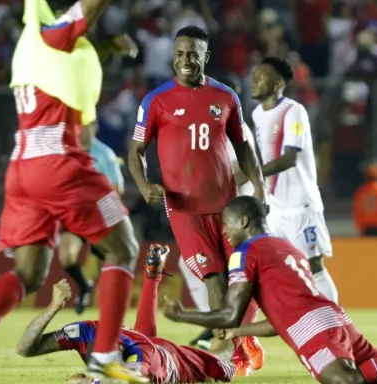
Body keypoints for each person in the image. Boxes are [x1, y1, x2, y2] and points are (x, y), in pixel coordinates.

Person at [0, 0, 146, 383]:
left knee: (30, 274)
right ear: (63, 11)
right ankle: (104, 357)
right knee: (124, 248)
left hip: (22, 167)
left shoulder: (30, 44)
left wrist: (107, 46)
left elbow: (66, 67)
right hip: (60, 161)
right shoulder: (55, 32)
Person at [163, 196, 377, 384]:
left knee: (345, 381)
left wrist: (183, 315)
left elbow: (229, 311)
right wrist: (241, 331)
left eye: (226, 225)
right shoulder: (285, 247)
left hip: (312, 327)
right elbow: (277, 321)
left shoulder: (245, 253)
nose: (224, 232)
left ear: (242, 222)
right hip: (332, 317)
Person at [127, 25, 267, 375]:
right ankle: (226, 359)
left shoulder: (226, 96)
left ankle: (237, 340)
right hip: (185, 211)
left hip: (228, 208)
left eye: (193, 54)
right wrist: (144, 185)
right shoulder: (156, 100)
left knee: (249, 278)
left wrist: (261, 189)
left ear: (205, 56)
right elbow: (136, 150)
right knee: (215, 279)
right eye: (179, 54)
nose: (185, 60)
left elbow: (245, 148)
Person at [16, 245, 235, 384]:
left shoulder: (138, 358)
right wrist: (52, 308)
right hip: (153, 349)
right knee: (144, 339)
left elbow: (127, 377)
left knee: (225, 359)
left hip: (179, 361)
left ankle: (242, 326)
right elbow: (25, 348)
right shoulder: (87, 331)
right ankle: (153, 277)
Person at [248, 57, 339, 304]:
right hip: (275, 207)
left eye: (261, 76)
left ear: (278, 83)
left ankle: (338, 327)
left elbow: (289, 158)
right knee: (273, 267)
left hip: (300, 205)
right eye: (254, 75)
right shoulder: (257, 114)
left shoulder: (293, 111)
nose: (253, 80)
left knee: (314, 265)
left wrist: (253, 174)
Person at [176, 76, 257, 350]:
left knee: (237, 273)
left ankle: (236, 332)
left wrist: (216, 178)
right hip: (211, 213)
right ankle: (219, 325)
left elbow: (247, 170)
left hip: (236, 215)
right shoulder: (202, 130)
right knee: (195, 267)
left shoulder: (238, 130)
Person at [58, 120, 126, 315]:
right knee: (66, 257)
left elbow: (117, 189)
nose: (82, 130)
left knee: (105, 264)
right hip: (77, 216)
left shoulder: (104, 154)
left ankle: (110, 310)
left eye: (86, 126)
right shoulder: (69, 151)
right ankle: (84, 286)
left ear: (95, 127)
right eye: (78, 125)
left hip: (101, 217)